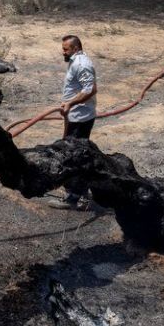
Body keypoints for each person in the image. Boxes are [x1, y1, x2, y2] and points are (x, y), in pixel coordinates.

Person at [48, 35, 98, 210]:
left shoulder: (81, 64)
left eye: (65, 49)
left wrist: (70, 103)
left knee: (73, 157)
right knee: (74, 154)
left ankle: (74, 198)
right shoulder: (76, 61)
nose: (63, 52)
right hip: (75, 116)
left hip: (80, 118)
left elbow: (90, 89)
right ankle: (80, 194)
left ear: (76, 48)